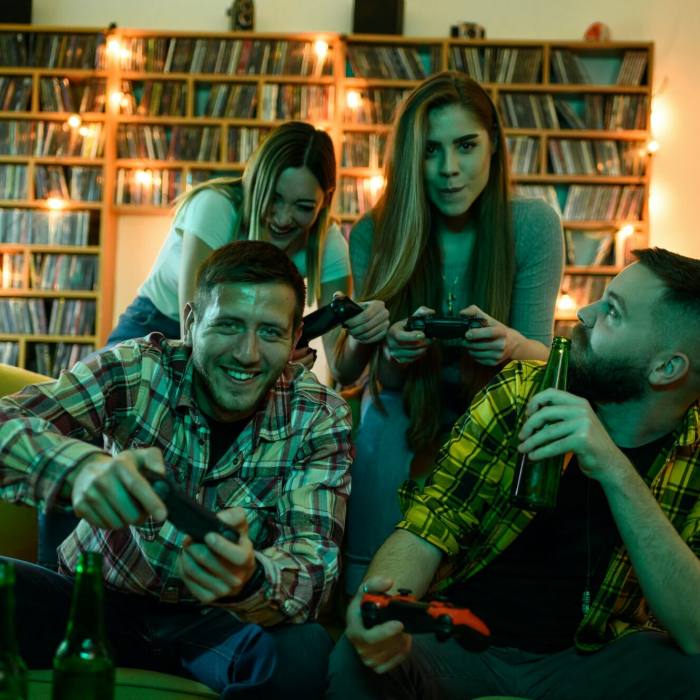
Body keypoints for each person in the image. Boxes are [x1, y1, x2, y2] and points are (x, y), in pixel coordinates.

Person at [327, 247, 700, 700]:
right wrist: (382, 610)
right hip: (468, 640)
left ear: (667, 368)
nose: (584, 312)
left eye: (613, 313)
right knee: (356, 657)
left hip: (592, 659)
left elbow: (694, 630)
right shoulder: (523, 387)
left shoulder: (694, 454)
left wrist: (613, 467)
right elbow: (431, 522)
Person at [0, 240, 352, 699]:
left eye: (270, 333)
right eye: (228, 325)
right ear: (190, 323)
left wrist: (249, 577)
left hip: (218, 623)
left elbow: (314, 569)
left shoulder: (320, 416)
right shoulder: (136, 369)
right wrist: (78, 469)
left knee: (304, 651)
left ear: (293, 340)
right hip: (92, 602)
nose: (248, 353)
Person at [335, 71, 564, 592]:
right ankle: (366, 596)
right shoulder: (375, 231)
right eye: (430, 151)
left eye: (466, 145)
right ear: (410, 159)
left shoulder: (533, 225)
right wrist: (394, 350)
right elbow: (379, 383)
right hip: (405, 408)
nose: (449, 170)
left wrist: (509, 346)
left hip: (497, 412)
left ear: (495, 146)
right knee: (379, 425)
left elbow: (542, 362)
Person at [107, 120, 389, 373]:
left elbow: (342, 369)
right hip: (157, 326)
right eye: (274, 198)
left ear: (325, 201)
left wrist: (362, 335)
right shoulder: (216, 206)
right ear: (254, 183)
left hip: (233, 339)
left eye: (303, 207)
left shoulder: (329, 245)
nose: (283, 218)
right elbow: (193, 334)